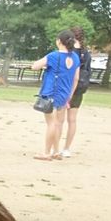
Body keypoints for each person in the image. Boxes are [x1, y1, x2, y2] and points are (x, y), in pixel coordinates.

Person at [30, 30, 78, 160]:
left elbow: (35, 66)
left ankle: (47, 152)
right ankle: (56, 150)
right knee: (57, 123)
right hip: (64, 93)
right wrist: (70, 95)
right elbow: (76, 78)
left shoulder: (53, 56)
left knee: (51, 123)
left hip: (51, 92)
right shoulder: (75, 57)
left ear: (59, 41)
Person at [60, 26, 92, 158]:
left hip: (66, 86)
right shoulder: (86, 53)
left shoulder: (69, 52)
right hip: (80, 88)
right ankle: (67, 148)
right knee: (72, 119)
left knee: (59, 120)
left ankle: (54, 146)